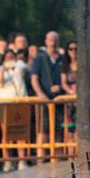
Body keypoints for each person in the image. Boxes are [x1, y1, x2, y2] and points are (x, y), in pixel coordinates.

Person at [31, 31, 64, 161]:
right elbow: (34, 78)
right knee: (42, 129)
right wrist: (40, 94)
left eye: (55, 39)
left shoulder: (62, 58)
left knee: (58, 129)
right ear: (46, 41)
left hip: (60, 99)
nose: (53, 42)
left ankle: (56, 157)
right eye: (51, 39)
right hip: (44, 99)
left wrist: (61, 88)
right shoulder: (39, 58)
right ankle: (41, 158)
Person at [0, 49, 28, 171]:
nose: (9, 59)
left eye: (11, 57)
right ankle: (8, 161)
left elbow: (24, 67)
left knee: (21, 133)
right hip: (4, 104)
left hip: (19, 103)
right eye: (7, 57)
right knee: (6, 134)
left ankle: (22, 161)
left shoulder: (19, 68)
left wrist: (15, 65)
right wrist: (4, 69)